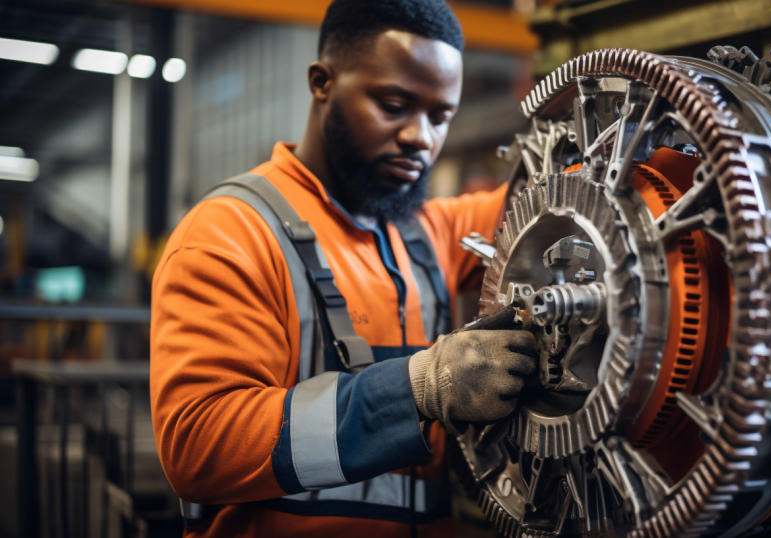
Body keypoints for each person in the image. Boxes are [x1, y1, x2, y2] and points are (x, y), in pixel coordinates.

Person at [149, 1, 537, 536]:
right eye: (394, 103)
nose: (420, 137)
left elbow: (559, 203)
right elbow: (197, 447)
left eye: (440, 116)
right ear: (322, 82)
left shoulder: (431, 232)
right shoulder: (230, 234)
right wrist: (417, 390)